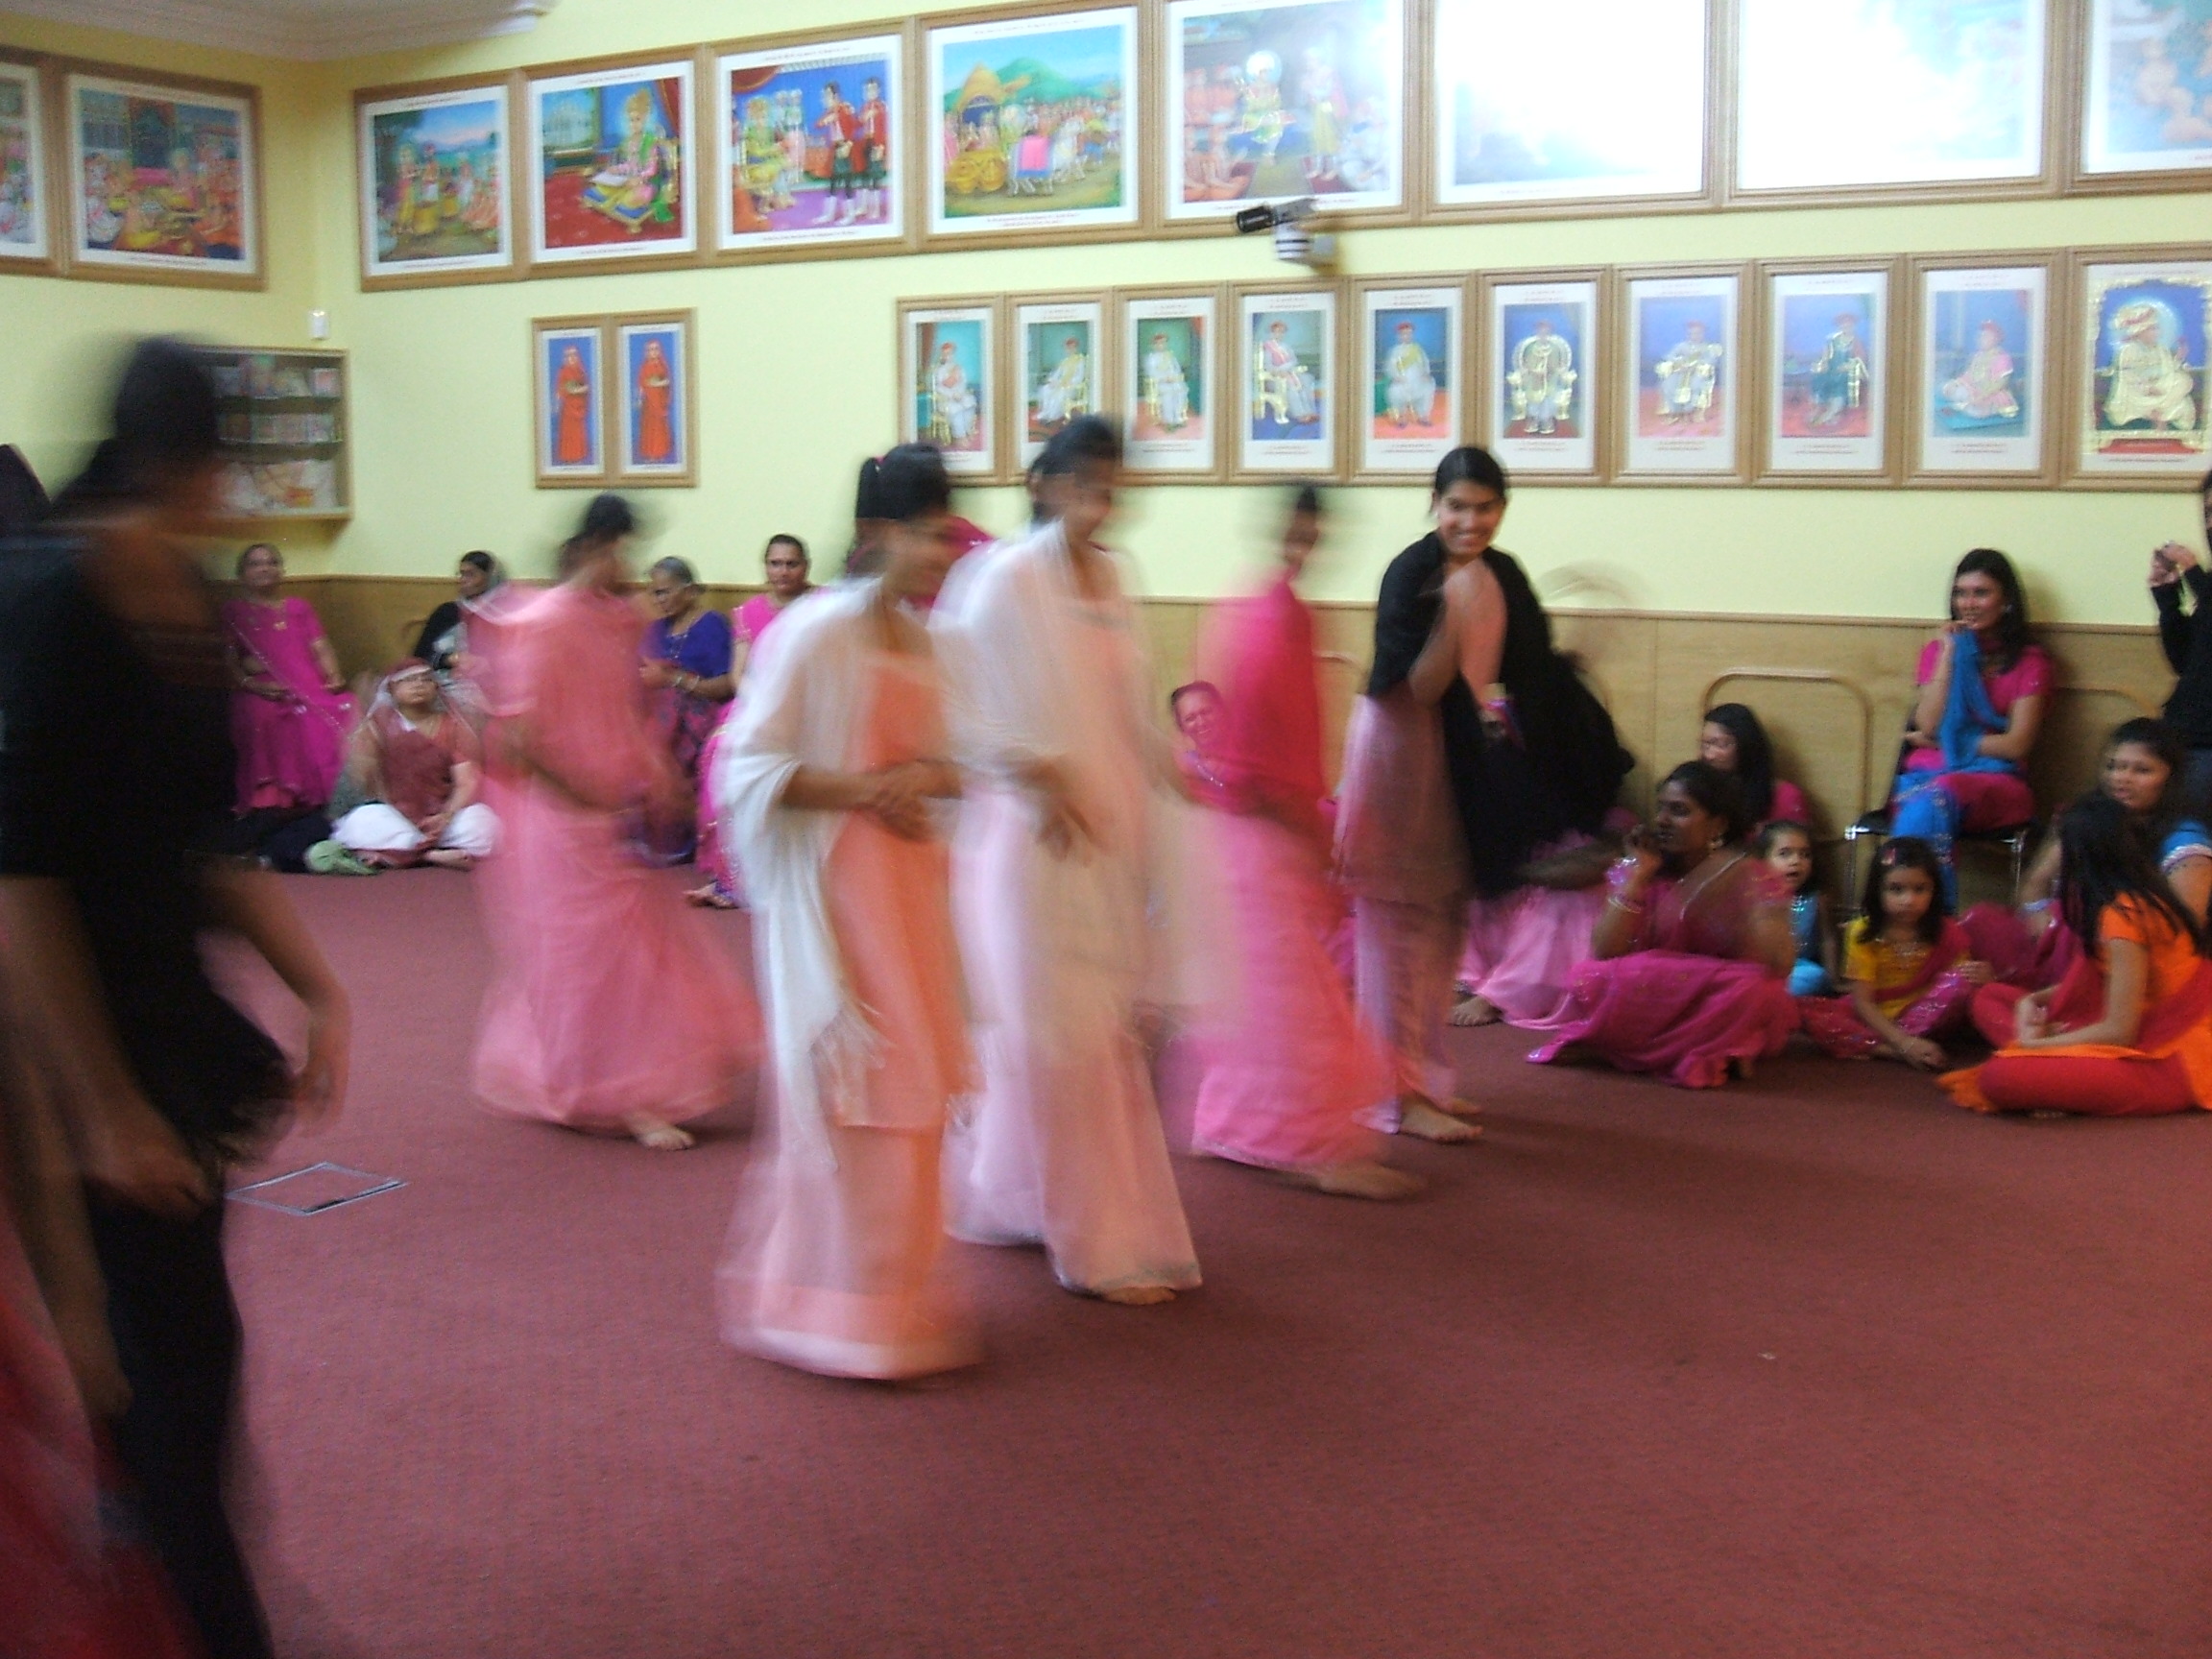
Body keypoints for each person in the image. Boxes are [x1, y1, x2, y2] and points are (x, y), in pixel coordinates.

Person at [0, 338, 351, 1659]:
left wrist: (320, 985)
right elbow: (23, 880)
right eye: (229, 462)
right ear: (182, 461)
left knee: (181, 1373)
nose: (241, 493)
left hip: (158, 1021)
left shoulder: (186, 595)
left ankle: (167, 1584)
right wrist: (96, 1110)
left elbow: (193, 842)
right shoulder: (55, 597)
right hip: (57, 1042)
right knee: (136, 1369)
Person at [714, 446, 977, 1382]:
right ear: (877, 534)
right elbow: (744, 768)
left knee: (913, 1092)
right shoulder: (814, 634)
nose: (945, 553)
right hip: (837, 899)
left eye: (949, 534)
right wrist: (867, 792)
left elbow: (957, 762)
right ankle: (823, 1304)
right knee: (858, 1093)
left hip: (910, 895)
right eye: (930, 535)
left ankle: (896, 1296)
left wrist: (920, 779)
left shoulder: (927, 639)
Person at [933, 417, 1202, 1306]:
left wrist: (1171, 774)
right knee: (1066, 1032)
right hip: (1031, 840)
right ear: (1044, 482)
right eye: (1085, 483)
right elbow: (957, 712)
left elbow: (1128, 705)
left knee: (1086, 1025)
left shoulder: (1115, 576)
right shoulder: (1001, 578)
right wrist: (1033, 773)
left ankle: (1016, 1194)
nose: (1101, 502)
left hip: (1109, 836)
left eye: (1114, 485)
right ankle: (1101, 1241)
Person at [1339, 446, 1631, 1123]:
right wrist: (1450, 607)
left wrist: (1576, 655)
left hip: (1456, 754)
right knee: (1394, 928)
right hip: (1398, 755)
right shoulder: (1412, 572)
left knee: (1445, 923)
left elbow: (1532, 668)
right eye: (1458, 507)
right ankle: (1389, 1094)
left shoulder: (1499, 571)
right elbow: (1422, 684)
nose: (1472, 522)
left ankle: (1425, 1079)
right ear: (1434, 506)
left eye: (1486, 508)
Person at [473, 494, 757, 1152]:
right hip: (558, 820)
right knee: (590, 958)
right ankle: (625, 1093)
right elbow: (517, 741)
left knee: (637, 949)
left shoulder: (623, 618)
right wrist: (580, 798)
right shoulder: (544, 623)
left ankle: (645, 1076)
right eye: (622, 549)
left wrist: (656, 779)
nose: (632, 565)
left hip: (606, 810)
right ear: (595, 546)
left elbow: (623, 710)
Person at [1190, 488, 1414, 1200]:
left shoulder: (1282, 613)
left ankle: (1240, 1124)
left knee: (1278, 988)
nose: (1303, 545)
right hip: (1256, 829)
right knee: (1287, 994)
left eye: (1313, 533)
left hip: (1268, 825)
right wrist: (1302, 830)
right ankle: (1302, 1144)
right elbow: (1251, 747)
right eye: (1296, 530)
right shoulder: (1261, 615)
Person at [1529, 762, 1798, 1090]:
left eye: (1680, 811)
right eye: (1661, 809)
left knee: (1755, 990)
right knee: (1589, 977)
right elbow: (1604, 950)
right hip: (1656, 987)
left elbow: (1779, 965)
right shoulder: (1644, 865)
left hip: (1720, 994)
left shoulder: (1750, 874)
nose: (1662, 821)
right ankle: (1709, 1047)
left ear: (1718, 824)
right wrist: (1638, 874)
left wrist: (1745, 897)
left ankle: (1649, 1046)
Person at [1941, 792, 2212, 1117]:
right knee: (1991, 997)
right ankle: (2059, 1075)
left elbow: (2119, 1031)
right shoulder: (2126, 898)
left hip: (2173, 1056)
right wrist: (2035, 1000)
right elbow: (2112, 984)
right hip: (2125, 1026)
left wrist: (2035, 1046)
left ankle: (2057, 1080)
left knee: (2001, 1077)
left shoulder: (2123, 914)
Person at [1963, 717, 2212, 1045]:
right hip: (2068, 959)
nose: (2122, 779)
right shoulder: (2087, 821)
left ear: (2169, 778)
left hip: (2127, 976)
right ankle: (2051, 1032)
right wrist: (2044, 919)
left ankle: (2054, 1039)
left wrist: (2087, 936)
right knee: (1980, 928)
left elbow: (2181, 930)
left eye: (2141, 770)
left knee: (2085, 922)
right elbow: (2036, 885)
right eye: (2114, 766)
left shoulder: (2185, 843)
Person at [1887, 549, 2051, 891]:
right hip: (1928, 774)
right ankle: (1917, 910)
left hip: (1996, 781)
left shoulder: (2030, 661)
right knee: (1930, 797)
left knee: (1936, 796)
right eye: (1961, 593)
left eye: (1981, 593)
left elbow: (2016, 744)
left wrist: (1947, 743)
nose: (1969, 603)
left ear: (2006, 601)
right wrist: (1949, 653)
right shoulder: (1937, 652)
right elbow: (1929, 723)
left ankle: (1923, 913)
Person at [690, 535, 815, 909]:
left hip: (811, 703)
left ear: (805, 566)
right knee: (717, 751)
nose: (783, 571)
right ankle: (731, 878)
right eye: (775, 563)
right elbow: (738, 677)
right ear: (765, 567)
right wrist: (766, 706)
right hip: (756, 704)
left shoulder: (822, 606)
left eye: (791, 563)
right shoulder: (747, 613)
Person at [1798, 838, 1986, 1067]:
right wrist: (1903, 1043)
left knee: (1960, 984)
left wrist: (1983, 977)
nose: (1908, 900)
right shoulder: (1862, 932)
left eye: (1920, 889)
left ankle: (1879, 1045)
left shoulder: (1947, 932)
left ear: (1934, 890)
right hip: (1874, 1017)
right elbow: (1862, 1002)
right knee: (1803, 1010)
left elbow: (1959, 984)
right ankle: (1891, 1051)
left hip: (1927, 1015)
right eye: (1896, 890)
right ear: (1877, 890)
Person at [224, 541, 356, 812]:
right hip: (261, 689)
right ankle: (276, 799)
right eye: (256, 564)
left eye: (272, 562)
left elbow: (320, 645)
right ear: (242, 574)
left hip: (309, 682)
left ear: (281, 570)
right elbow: (229, 660)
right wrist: (251, 684)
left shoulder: (299, 607)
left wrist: (334, 676)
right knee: (267, 716)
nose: (265, 569)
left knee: (346, 706)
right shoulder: (233, 611)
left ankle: (337, 794)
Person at [327, 660, 497, 870]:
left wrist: (446, 816)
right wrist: (360, 718)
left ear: (436, 687)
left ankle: (405, 852)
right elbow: (364, 776)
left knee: (485, 825)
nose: (418, 684)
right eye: (409, 680)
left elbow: (467, 781)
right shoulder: (378, 724)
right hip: (397, 817)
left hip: (443, 815)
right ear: (391, 689)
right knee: (361, 822)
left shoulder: (452, 725)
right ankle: (432, 856)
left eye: (425, 679)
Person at [639, 555, 734, 863]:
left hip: (702, 711)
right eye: (654, 592)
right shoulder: (655, 630)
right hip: (658, 712)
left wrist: (674, 679)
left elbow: (726, 685)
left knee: (666, 722)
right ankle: (654, 829)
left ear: (690, 590)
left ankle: (676, 836)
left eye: (665, 591)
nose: (659, 599)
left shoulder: (712, 625)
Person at [2148, 472, 2212, 815]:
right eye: (2207, 513)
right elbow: (2185, 662)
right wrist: (2168, 598)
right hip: (2180, 735)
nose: (2211, 523)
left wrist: (2192, 571)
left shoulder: (2205, 585)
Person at [1699, 702, 1810, 830]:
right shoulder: (1698, 793)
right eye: (1704, 745)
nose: (1709, 755)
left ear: (1746, 745)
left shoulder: (1785, 797)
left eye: (1720, 744)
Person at [1759, 819, 1836, 996]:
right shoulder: (1755, 898)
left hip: (1798, 967)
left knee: (1814, 975)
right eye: (1785, 854)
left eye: (1805, 854)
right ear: (1763, 860)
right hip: (1761, 968)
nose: (1796, 861)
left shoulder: (1815, 899)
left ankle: (1773, 996)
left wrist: (1833, 978)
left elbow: (1827, 940)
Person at [1383, 321, 1435, 427]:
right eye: (1404, 334)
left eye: (1409, 333)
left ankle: (1423, 416)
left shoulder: (1417, 349)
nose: (1407, 336)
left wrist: (1425, 374)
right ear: (1399, 336)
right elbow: (1390, 366)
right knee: (1395, 392)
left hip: (1417, 378)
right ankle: (1402, 418)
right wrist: (1396, 377)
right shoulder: (1395, 351)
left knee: (1427, 387)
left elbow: (1424, 363)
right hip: (1402, 379)